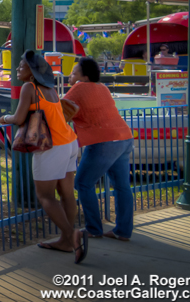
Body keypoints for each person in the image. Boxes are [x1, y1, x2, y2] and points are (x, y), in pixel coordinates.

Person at [1, 50, 87, 264]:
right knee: (66, 194)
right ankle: (67, 241)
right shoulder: (50, 88)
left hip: (51, 147)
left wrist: (5, 117)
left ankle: (71, 236)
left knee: (45, 196)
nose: (18, 69)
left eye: (21, 66)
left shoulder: (28, 88)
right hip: (69, 142)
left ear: (32, 72)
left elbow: (19, 117)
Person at [66, 57, 134, 242]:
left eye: (74, 73)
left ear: (84, 77)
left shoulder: (79, 88)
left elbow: (61, 110)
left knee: (82, 183)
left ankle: (94, 228)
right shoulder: (102, 88)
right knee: (122, 186)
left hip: (103, 141)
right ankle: (123, 231)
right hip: (124, 137)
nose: (70, 76)